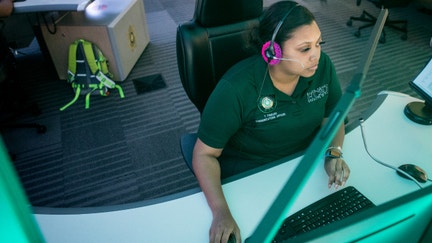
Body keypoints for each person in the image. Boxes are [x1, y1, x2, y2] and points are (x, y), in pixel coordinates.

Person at [191, 1, 351, 242]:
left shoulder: (322, 67)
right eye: (304, 49)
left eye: (319, 43)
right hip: (253, 174)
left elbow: (334, 116)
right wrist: (220, 212)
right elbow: (203, 155)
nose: (316, 55)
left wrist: (333, 153)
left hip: (303, 166)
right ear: (272, 52)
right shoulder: (237, 88)